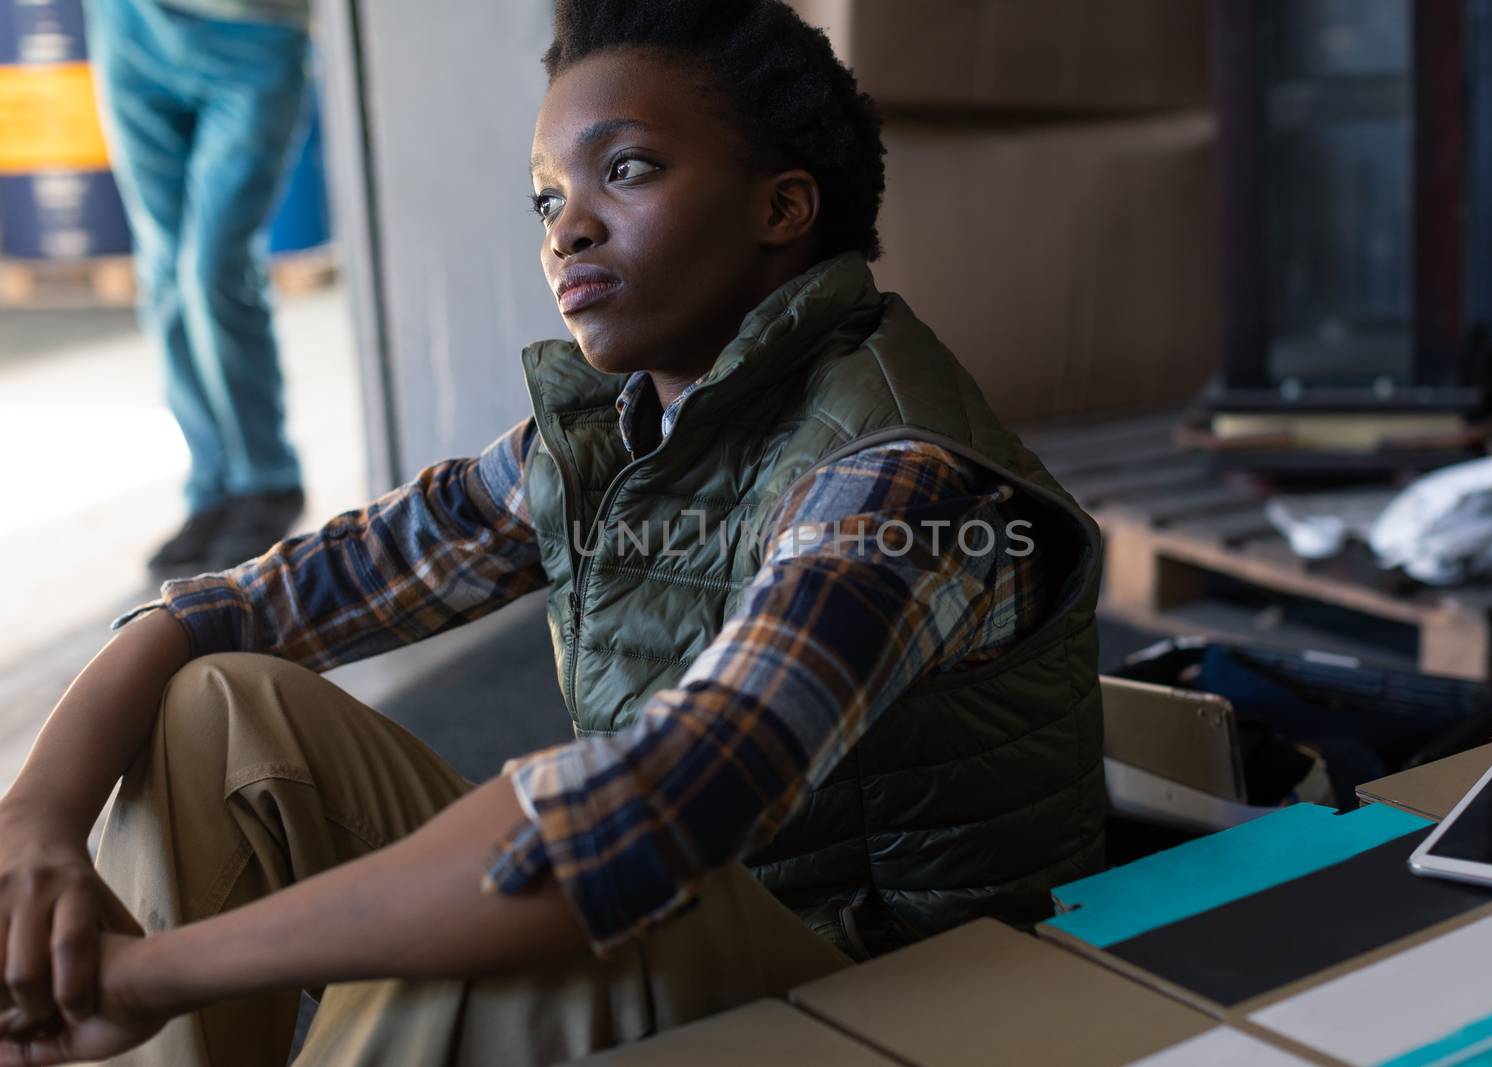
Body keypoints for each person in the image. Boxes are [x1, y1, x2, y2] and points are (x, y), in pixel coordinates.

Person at [0, 1, 1105, 1062]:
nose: (568, 225)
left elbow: (647, 813)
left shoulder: (902, 481)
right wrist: (32, 822)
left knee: (509, 920)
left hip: (914, 1007)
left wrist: (152, 974)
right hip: (706, 931)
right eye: (546, 198)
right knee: (219, 705)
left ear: (782, 208)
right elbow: (246, 605)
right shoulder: (613, 433)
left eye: (626, 170)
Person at [88, 0, 311, 574]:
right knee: (162, 276)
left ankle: (266, 480)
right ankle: (213, 489)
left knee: (213, 268)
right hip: (131, 25)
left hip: (252, 32)